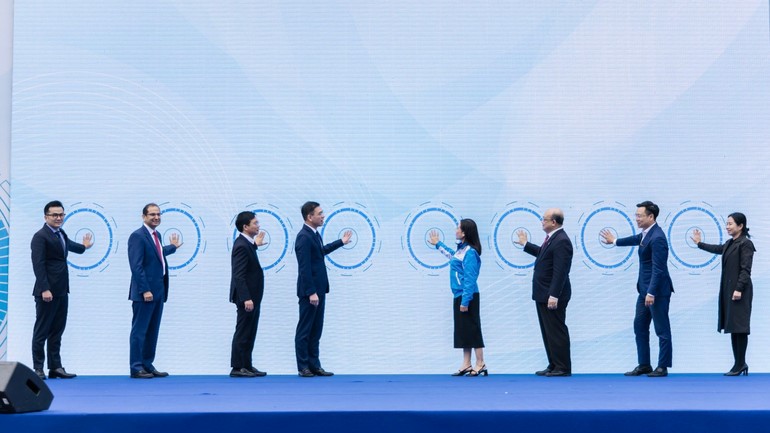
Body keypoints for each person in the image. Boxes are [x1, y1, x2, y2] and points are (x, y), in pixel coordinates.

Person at [601, 201, 674, 377]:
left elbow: (658, 269)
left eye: (640, 216)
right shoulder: (647, 234)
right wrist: (614, 241)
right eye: (636, 215)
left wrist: (651, 292)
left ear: (651, 217)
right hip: (644, 291)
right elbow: (635, 239)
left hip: (656, 292)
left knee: (661, 329)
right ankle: (644, 364)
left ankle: (662, 367)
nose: (637, 218)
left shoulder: (658, 238)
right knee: (639, 326)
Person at [30, 200, 93, 380]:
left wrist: (84, 246)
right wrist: (45, 288)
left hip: (62, 290)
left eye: (61, 215)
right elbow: (38, 264)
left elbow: (70, 246)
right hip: (47, 292)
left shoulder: (61, 233)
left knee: (57, 330)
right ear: (46, 217)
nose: (58, 218)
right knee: (42, 331)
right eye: (54, 215)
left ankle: (55, 367)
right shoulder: (40, 236)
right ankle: (38, 368)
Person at [691, 212, 755, 376]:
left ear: (740, 226)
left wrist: (739, 288)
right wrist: (699, 243)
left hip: (740, 291)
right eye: (727, 224)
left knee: (740, 327)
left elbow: (746, 270)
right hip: (730, 291)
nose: (727, 227)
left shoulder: (745, 243)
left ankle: (740, 363)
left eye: (730, 224)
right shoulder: (730, 243)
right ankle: (739, 363)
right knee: (733, 327)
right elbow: (717, 249)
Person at [294, 201, 351, 377]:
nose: (323, 216)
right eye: (319, 213)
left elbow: (320, 252)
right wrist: (311, 292)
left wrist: (341, 242)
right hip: (310, 292)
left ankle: (314, 365)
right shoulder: (303, 237)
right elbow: (304, 267)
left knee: (316, 329)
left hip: (319, 290)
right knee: (305, 330)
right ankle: (303, 366)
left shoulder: (314, 234)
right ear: (309, 217)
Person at [515, 208, 573, 377]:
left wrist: (554, 295)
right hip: (543, 294)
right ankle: (553, 364)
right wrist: (525, 244)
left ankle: (562, 367)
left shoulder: (562, 240)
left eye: (544, 219)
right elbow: (542, 254)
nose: (542, 222)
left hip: (552, 295)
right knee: (548, 331)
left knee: (556, 330)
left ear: (553, 222)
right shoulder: (553, 238)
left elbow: (560, 271)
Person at [127, 203, 181, 378]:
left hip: (158, 291)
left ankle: (147, 364)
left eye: (158, 214)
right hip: (145, 293)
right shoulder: (137, 236)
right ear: (144, 216)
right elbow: (136, 266)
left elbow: (157, 254)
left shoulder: (156, 235)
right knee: (139, 331)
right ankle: (136, 367)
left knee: (152, 331)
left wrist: (172, 247)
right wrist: (145, 290)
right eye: (152, 214)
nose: (156, 217)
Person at [428, 219, 487, 377]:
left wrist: (465, 301)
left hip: (468, 296)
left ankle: (480, 363)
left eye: (458, 228)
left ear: (464, 232)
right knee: (463, 330)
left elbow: (470, 278)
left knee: (473, 329)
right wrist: (438, 244)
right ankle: (466, 364)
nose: (456, 230)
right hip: (460, 295)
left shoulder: (470, 252)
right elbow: (452, 256)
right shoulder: (461, 250)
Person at [229, 211, 267, 378]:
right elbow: (239, 275)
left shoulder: (247, 243)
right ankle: (237, 367)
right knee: (243, 331)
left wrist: (255, 245)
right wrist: (246, 298)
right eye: (255, 223)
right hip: (247, 298)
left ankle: (247, 365)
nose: (258, 226)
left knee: (250, 331)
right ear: (245, 226)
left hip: (253, 297)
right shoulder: (241, 245)